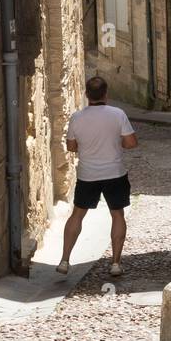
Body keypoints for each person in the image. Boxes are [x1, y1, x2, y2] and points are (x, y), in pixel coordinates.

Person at [57, 75, 138, 278]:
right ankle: (116, 263)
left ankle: (65, 260)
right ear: (106, 94)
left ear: (86, 95)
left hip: (88, 174)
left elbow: (71, 146)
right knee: (117, 214)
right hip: (114, 173)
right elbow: (131, 143)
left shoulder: (77, 117)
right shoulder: (117, 114)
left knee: (77, 215)